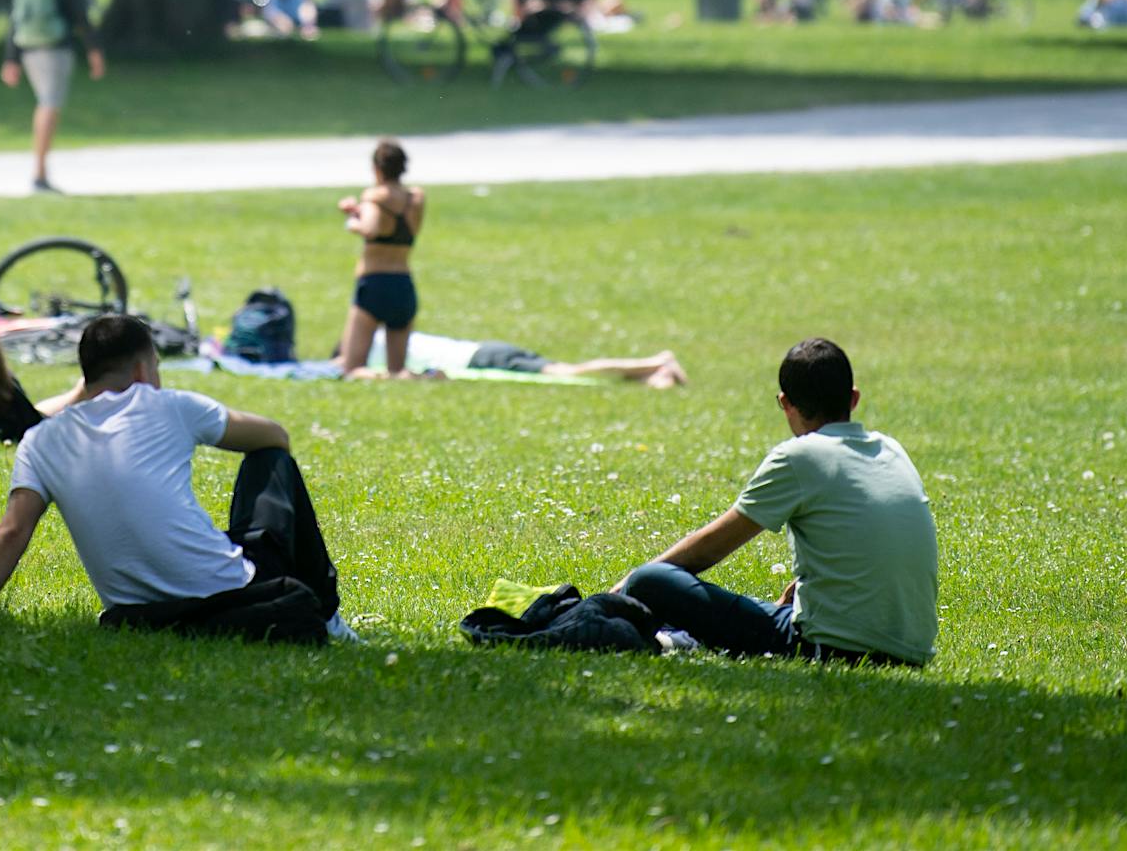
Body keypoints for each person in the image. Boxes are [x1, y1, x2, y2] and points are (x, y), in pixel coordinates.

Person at [0, 314, 357, 642]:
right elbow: (275, 437)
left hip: (138, 615)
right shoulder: (168, 405)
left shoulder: (41, 440)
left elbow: (11, 533)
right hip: (230, 591)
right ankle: (329, 615)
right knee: (271, 461)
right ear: (142, 369)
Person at [615, 338, 937, 667]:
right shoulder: (891, 449)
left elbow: (708, 548)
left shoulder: (799, 456)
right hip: (912, 651)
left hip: (830, 648)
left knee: (651, 582)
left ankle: (658, 630)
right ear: (853, 398)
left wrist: (623, 587)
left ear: (785, 403)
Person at [1, 0, 105, 194]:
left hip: (28, 49)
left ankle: (41, 170)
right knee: (49, 105)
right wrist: (94, 50)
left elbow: (16, 16)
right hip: (56, 48)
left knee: (45, 103)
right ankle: (40, 172)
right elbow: (80, 15)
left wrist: (10, 57)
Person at [336, 137, 423, 377]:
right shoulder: (415, 199)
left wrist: (352, 219)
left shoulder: (374, 197)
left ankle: (377, 377)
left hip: (374, 285)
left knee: (351, 368)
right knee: (397, 369)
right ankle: (420, 378)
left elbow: (371, 229)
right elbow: (394, 227)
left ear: (376, 168)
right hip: (404, 283)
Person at [352, 328, 686, 389]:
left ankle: (656, 362)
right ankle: (653, 376)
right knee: (567, 371)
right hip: (485, 350)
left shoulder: (375, 350)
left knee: (566, 372)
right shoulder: (388, 334)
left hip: (482, 359)